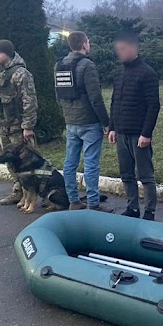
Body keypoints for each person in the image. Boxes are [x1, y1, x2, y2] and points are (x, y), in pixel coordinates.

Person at [56, 31, 113, 213]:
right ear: (84, 45)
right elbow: (95, 98)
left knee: (70, 163)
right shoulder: (87, 65)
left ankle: (73, 200)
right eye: (88, 42)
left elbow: (58, 95)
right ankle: (93, 203)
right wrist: (106, 122)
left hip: (70, 121)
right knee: (91, 163)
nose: (89, 44)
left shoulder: (59, 65)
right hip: (89, 122)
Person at [107, 31, 161, 220]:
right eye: (118, 50)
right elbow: (115, 101)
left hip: (139, 134)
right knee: (126, 174)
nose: (120, 53)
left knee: (145, 175)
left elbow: (153, 105)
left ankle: (150, 211)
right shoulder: (119, 72)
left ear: (133, 48)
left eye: (122, 49)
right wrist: (112, 127)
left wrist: (146, 133)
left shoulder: (147, 73)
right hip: (121, 132)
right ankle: (133, 207)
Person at [0, 39, 38, 205]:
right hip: (2, 126)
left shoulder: (20, 73)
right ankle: (18, 190)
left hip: (17, 127)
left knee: (26, 161)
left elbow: (30, 101)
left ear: (9, 53)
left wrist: (27, 127)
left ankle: (31, 193)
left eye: (0, 52)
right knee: (10, 162)